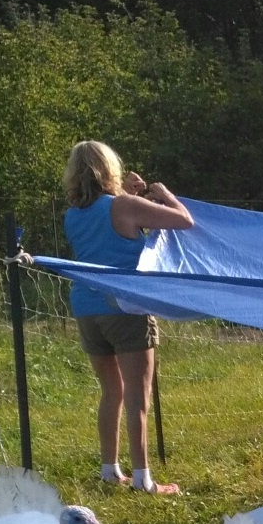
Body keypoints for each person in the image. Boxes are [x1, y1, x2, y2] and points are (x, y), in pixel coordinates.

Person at [62, 140, 194, 494]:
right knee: (138, 396)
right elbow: (184, 220)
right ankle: (143, 480)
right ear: (110, 168)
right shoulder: (124, 205)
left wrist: (130, 194)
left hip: (87, 307)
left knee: (111, 392)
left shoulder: (73, 214)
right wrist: (163, 192)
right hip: (125, 308)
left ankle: (110, 470)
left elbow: (111, 218)